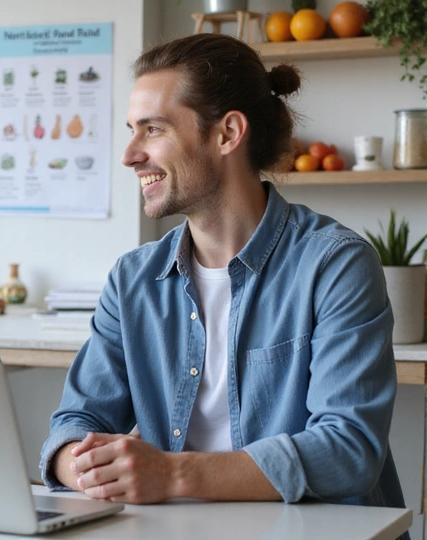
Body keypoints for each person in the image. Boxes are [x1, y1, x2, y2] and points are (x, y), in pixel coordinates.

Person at [41, 34, 407, 523]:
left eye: (152, 130)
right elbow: (74, 423)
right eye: (132, 129)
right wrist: (82, 465)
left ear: (228, 133)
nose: (129, 154)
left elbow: (348, 451)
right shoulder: (132, 279)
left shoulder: (335, 264)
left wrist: (170, 475)